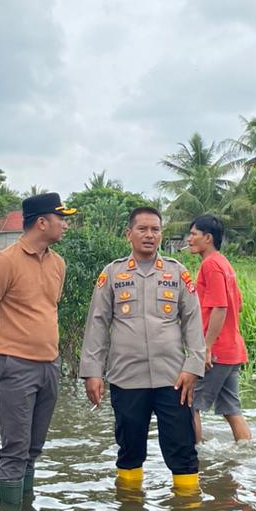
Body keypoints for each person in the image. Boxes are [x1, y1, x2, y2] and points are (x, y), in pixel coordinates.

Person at [80, 206, 207, 494]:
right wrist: (92, 372)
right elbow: (97, 323)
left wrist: (193, 366)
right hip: (127, 378)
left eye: (155, 230)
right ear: (129, 234)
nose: (150, 235)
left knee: (183, 451)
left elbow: (193, 321)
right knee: (129, 449)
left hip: (174, 379)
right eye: (143, 229)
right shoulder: (113, 273)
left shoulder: (177, 272)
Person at [0, 191, 75, 506]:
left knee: (33, 448)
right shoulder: (6, 262)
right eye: (61, 219)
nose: (65, 225)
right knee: (14, 449)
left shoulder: (58, 263)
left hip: (48, 365)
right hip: (14, 365)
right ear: (42, 223)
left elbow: (45, 310)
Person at [186, 214, 251, 444]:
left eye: (194, 234)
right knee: (231, 409)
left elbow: (221, 307)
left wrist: (206, 346)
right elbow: (238, 305)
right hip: (232, 349)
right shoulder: (224, 263)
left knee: (189, 402)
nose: (189, 239)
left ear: (208, 237)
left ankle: (194, 458)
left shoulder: (210, 265)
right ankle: (245, 452)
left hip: (216, 351)